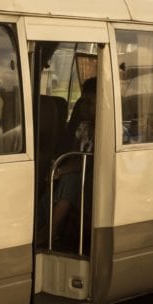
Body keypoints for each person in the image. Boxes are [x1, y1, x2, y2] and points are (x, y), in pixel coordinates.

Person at [48, 77, 96, 245]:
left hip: (92, 181)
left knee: (69, 180)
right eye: (82, 102)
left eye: (89, 103)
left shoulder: (106, 129)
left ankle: (51, 232)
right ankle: (42, 225)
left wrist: (62, 170)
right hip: (78, 173)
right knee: (53, 181)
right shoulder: (83, 127)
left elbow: (90, 162)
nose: (83, 107)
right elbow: (75, 153)